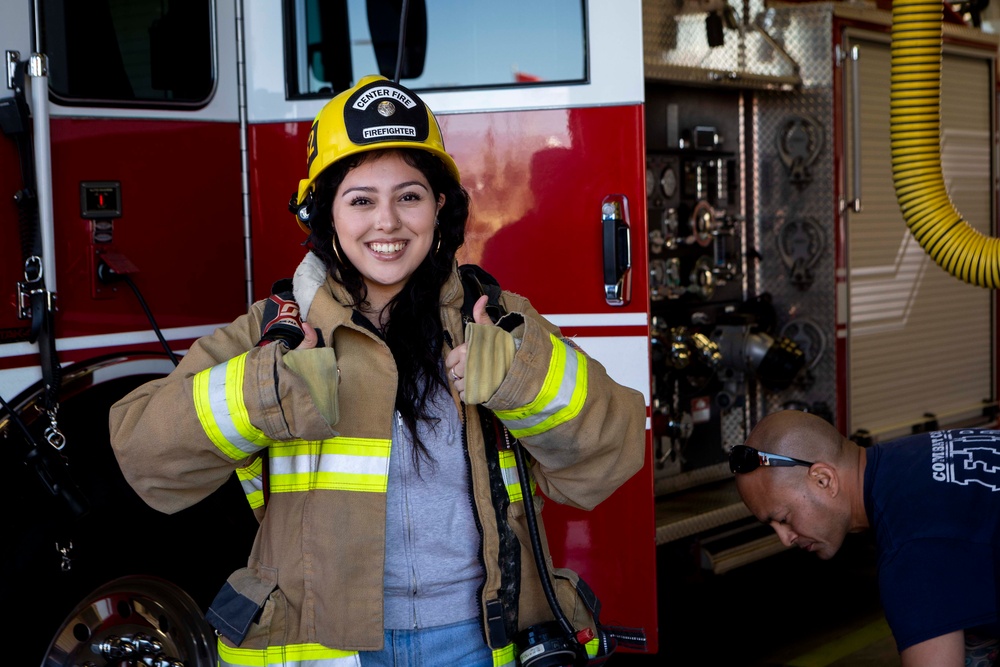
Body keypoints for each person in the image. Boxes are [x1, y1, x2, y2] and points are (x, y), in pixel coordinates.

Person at [108, 75, 646, 667]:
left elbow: (614, 453)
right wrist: (268, 393)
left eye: (409, 196)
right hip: (328, 650)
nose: (386, 222)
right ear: (326, 214)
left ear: (440, 207)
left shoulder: (497, 319)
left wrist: (521, 381)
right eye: (361, 199)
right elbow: (144, 456)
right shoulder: (275, 331)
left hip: (475, 643)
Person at [731, 409, 999, 667]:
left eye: (783, 519)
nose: (785, 539)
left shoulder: (910, 547)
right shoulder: (910, 457)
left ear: (824, 479)